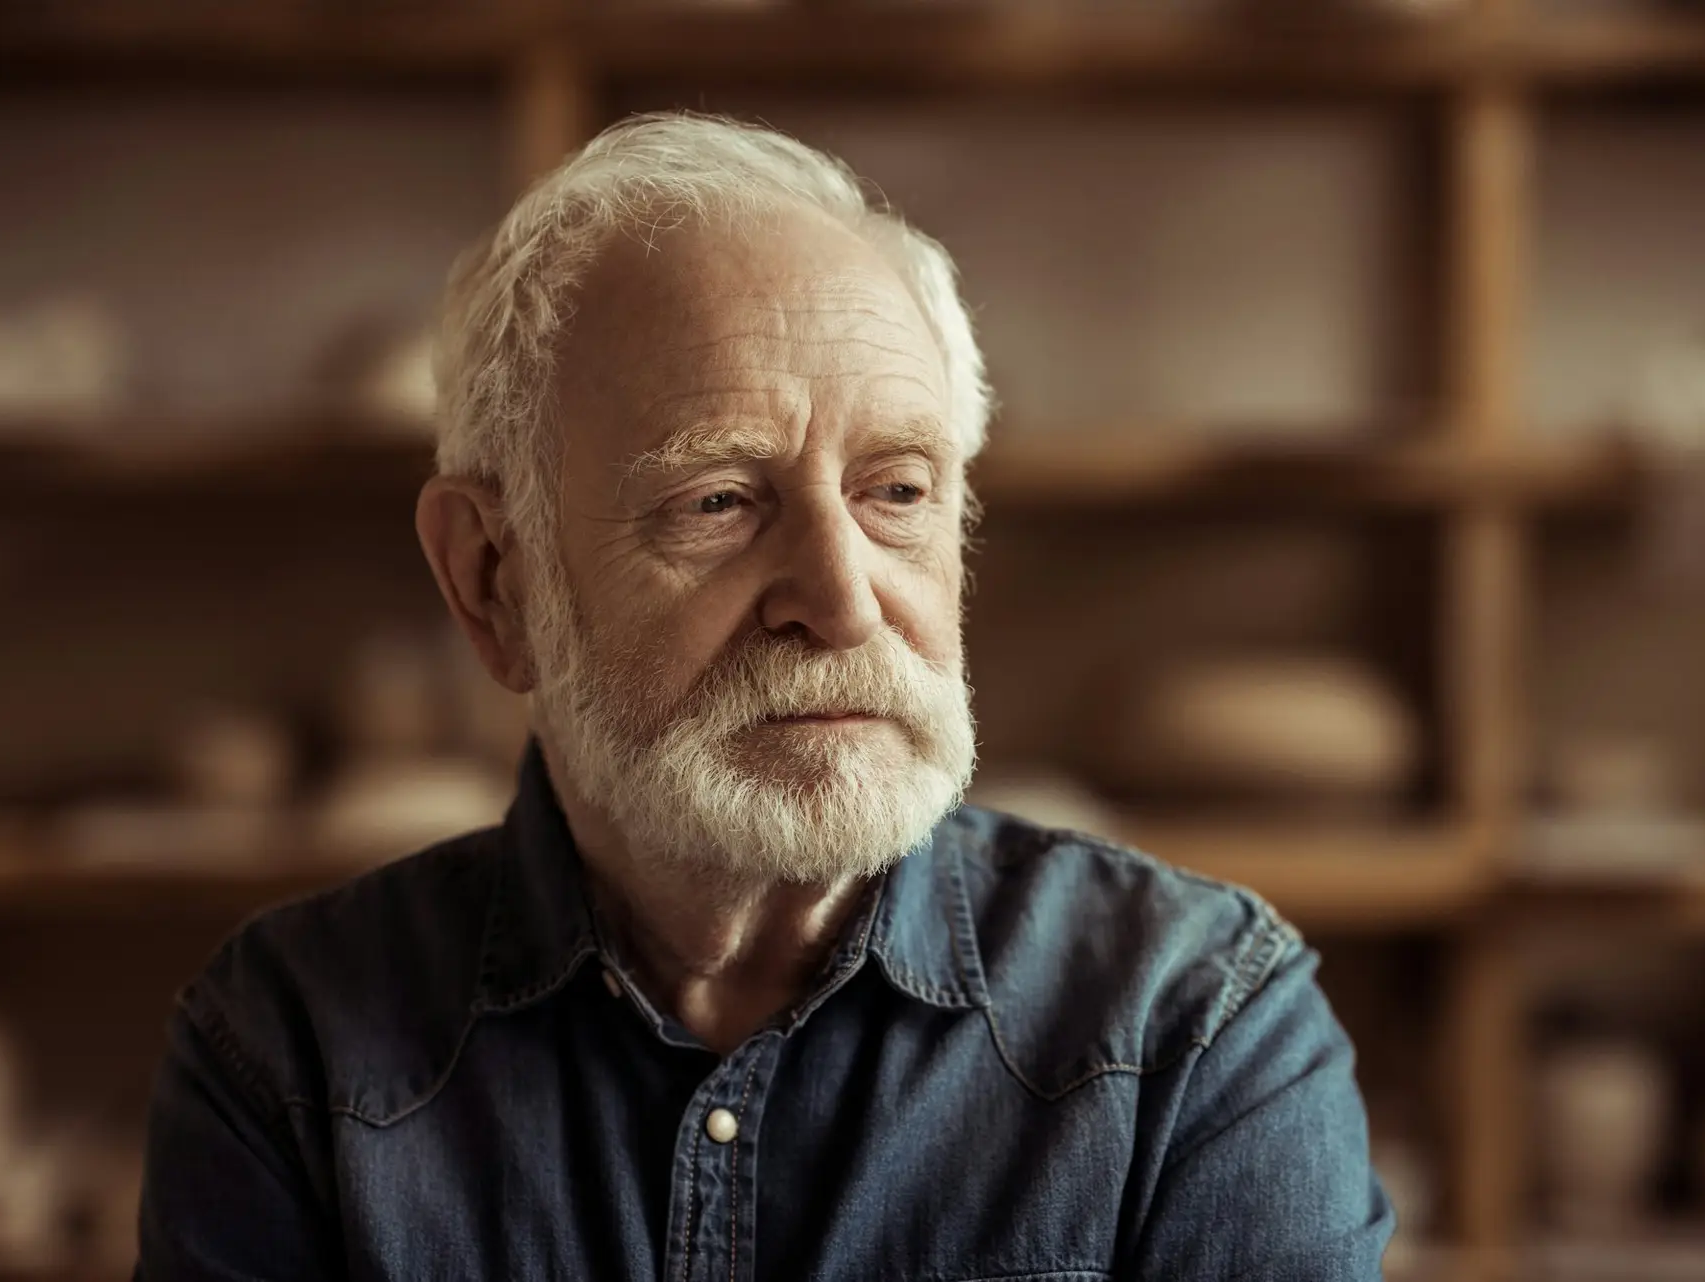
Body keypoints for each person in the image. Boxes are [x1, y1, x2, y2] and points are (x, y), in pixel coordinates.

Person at [136, 112, 1392, 1281]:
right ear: (493, 581)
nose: (842, 602)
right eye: (719, 502)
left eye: (897, 491)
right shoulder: (290, 1052)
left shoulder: (1196, 1025)